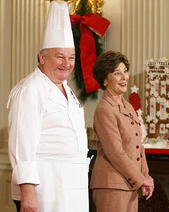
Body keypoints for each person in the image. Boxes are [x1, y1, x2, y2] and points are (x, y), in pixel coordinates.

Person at [7, 2, 89, 212]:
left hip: (71, 188)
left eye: (71, 57)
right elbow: (21, 144)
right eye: (59, 56)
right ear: (42, 58)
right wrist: (28, 193)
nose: (67, 63)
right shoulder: (30, 90)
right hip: (45, 188)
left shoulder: (67, 90)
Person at [91, 51, 154, 212]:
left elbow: (138, 146)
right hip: (111, 185)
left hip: (130, 185)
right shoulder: (104, 110)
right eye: (117, 73)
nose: (124, 77)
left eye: (125, 71)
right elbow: (116, 153)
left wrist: (145, 176)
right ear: (105, 80)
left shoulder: (128, 106)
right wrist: (141, 179)